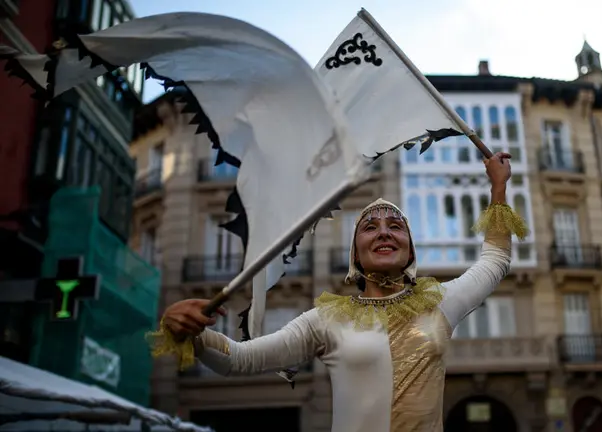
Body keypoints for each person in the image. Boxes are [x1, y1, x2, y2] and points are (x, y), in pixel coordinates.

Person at [157, 152, 526, 431]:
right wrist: (194, 333)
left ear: (409, 250)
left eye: (396, 226)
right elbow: (239, 360)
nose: (384, 231)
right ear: (356, 253)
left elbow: (495, 260)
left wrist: (498, 187)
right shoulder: (327, 319)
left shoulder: (441, 303)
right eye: (369, 227)